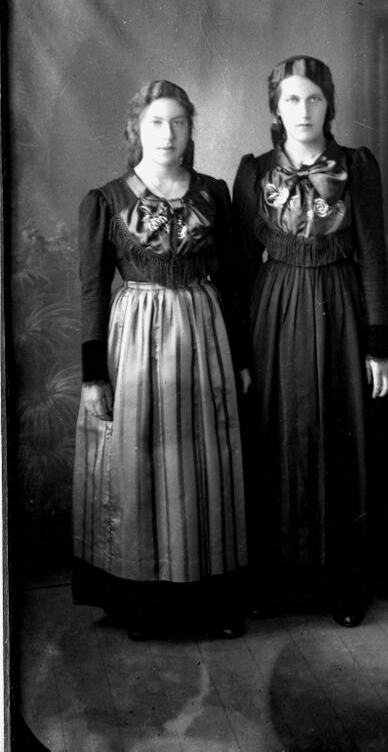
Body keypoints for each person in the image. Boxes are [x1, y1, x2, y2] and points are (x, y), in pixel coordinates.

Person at [73, 79, 249, 640]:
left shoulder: (212, 193)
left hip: (204, 337)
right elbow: (93, 292)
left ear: (191, 129)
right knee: (142, 462)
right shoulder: (107, 200)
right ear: (136, 129)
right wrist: (93, 376)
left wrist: (242, 357)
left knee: (205, 464)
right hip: (135, 342)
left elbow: (232, 278)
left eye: (178, 122)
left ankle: (209, 601)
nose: (168, 134)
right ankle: (146, 605)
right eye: (156, 122)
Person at [233, 55, 388, 628]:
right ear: (276, 109)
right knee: (277, 436)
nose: (303, 111)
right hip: (274, 314)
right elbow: (240, 267)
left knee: (341, 437)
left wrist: (379, 346)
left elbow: (373, 254)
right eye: (292, 100)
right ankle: (275, 579)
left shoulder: (356, 167)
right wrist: (241, 353)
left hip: (342, 310)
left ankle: (345, 582)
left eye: (315, 99)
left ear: (329, 105)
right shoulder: (254, 173)